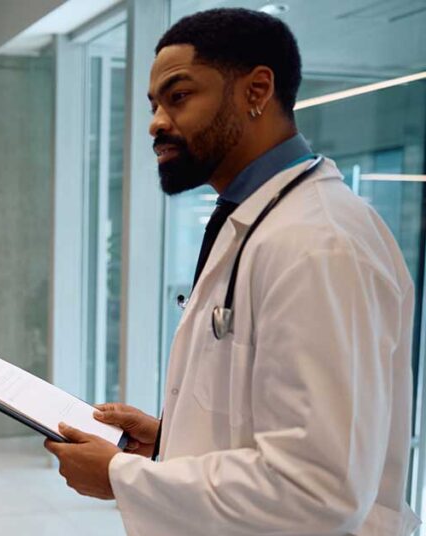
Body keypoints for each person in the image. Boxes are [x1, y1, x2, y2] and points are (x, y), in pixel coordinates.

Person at [45, 8, 420, 535]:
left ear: (256, 90)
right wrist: (170, 441)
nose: (155, 122)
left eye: (178, 96)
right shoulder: (259, 221)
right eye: (153, 104)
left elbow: (318, 491)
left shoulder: (318, 243)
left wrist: (120, 476)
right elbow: (275, 430)